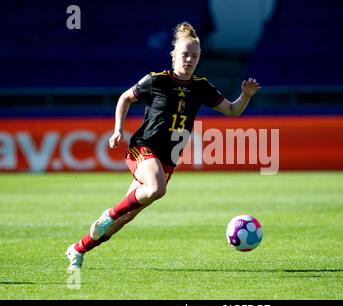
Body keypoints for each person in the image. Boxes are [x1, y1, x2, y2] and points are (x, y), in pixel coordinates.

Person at [65, 22, 261, 271]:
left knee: (127, 217)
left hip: (167, 160)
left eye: (194, 55)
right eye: (184, 54)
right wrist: (118, 129)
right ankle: (109, 214)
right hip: (143, 148)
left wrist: (246, 96)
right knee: (156, 189)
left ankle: (78, 249)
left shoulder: (200, 87)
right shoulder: (157, 81)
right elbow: (125, 97)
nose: (189, 59)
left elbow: (232, 111)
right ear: (174, 55)